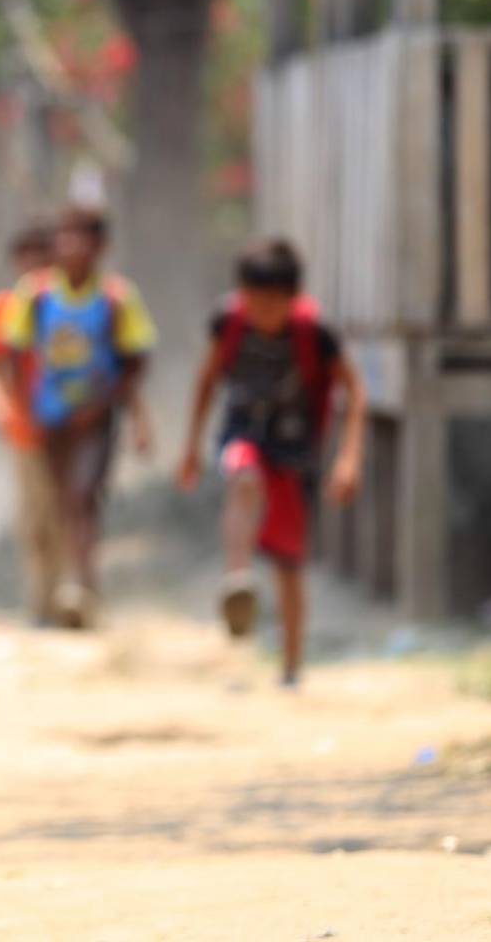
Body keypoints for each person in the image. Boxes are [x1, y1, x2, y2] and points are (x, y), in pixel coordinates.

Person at [176, 237, 365, 688]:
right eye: (253, 300)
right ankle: (237, 575)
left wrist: (349, 458)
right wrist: (191, 447)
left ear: (292, 297)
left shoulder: (315, 333)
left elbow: (353, 390)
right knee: (242, 472)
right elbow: (206, 382)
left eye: (271, 303)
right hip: (243, 433)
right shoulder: (228, 322)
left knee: (289, 563)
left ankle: (292, 666)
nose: (261, 312)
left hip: (295, 450)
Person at [2, 206, 156, 628]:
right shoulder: (34, 294)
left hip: (96, 416)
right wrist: (24, 405)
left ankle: (80, 587)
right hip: (49, 417)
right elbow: (12, 351)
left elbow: (136, 359)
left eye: (79, 237)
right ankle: (67, 592)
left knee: (83, 496)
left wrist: (117, 406)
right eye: (63, 236)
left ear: (100, 246)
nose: (69, 246)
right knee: (57, 502)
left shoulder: (116, 298)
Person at [0, 226, 64, 623]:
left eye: (42, 255)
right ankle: (41, 599)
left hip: (70, 426)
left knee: (68, 511)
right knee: (35, 515)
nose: (34, 264)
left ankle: (66, 594)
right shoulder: (5, 306)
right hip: (26, 427)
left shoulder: (68, 304)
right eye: (27, 255)